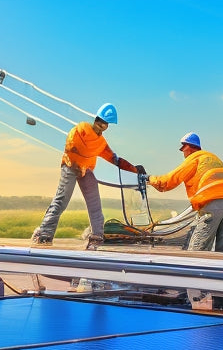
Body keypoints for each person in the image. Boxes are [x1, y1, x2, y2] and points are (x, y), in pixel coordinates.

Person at [32, 103, 144, 250]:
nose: (103, 126)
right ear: (96, 120)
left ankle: (97, 237)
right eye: (101, 122)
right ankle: (44, 235)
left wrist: (134, 169)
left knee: (95, 203)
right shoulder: (81, 129)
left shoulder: (101, 143)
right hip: (71, 167)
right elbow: (71, 146)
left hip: (87, 170)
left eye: (106, 124)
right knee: (61, 200)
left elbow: (115, 159)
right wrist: (77, 165)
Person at [147, 132, 223, 252]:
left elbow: (168, 181)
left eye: (183, 149)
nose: (183, 153)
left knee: (198, 249)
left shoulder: (195, 158)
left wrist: (150, 179)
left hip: (212, 205)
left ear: (187, 146)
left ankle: (196, 270)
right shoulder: (212, 157)